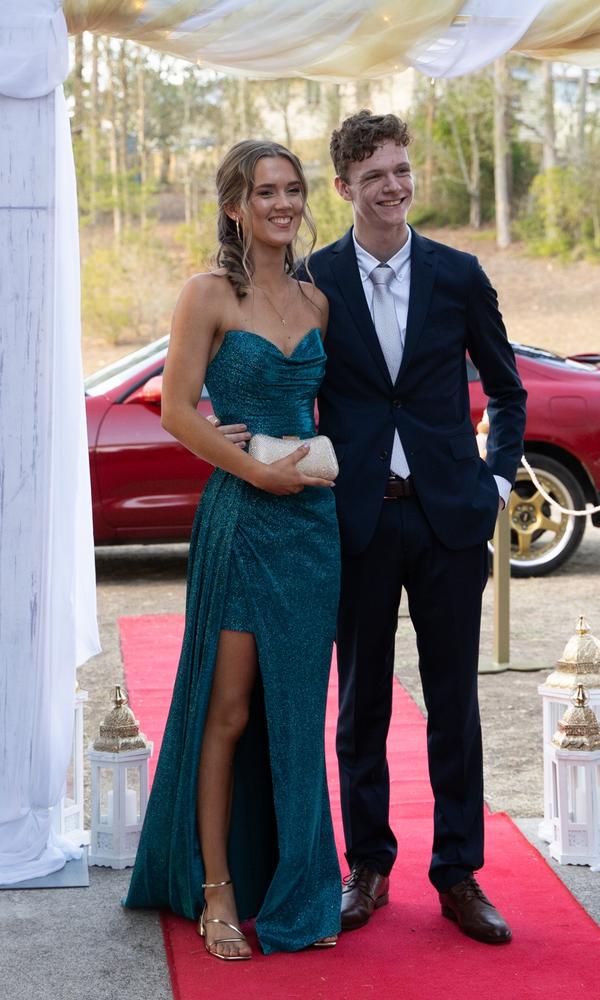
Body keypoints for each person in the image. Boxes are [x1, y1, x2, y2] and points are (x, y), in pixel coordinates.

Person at [308, 110, 527, 945]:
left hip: (448, 522)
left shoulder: (461, 275)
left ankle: (459, 873)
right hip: (357, 520)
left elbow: (508, 391)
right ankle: (367, 867)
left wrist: (497, 485)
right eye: (375, 177)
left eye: (402, 170)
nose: (394, 187)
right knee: (360, 705)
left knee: (454, 705)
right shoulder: (314, 278)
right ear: (345, 189)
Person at [124, 139, 342, 959]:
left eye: (291, 190)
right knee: (231, 710)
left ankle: (301, 889)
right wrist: (253, 468)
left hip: (311, 530)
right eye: (264, 193)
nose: (282, 204)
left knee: (295, 716)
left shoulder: (318, 303)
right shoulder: (207, 293)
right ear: (234, 206)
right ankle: (217, 891)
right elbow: (179, 410)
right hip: (243, 522)